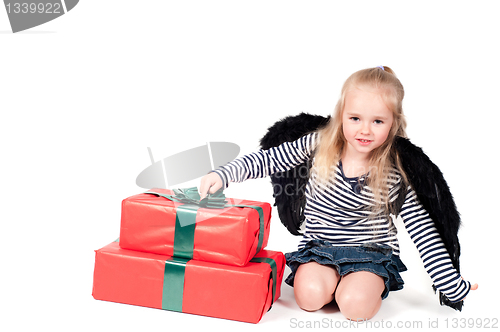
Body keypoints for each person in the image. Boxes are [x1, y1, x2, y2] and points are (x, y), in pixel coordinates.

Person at [199, 66, 477, 321]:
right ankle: (333, 281)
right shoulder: (319, 144)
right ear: (341, 114)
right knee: (308, 297)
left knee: (355, 306)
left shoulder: (395, 170)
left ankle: (358, 284)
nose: (364, 130)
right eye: (355, 118)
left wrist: (451, 283)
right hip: (319, 247)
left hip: (370, 254)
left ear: (393, 123)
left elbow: (423, 231)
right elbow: (269, 159)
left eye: (378, 121)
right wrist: (223, 174)